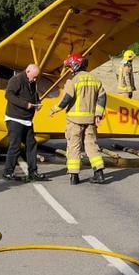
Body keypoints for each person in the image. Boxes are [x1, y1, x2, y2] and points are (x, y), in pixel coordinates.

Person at [50, 53, 107, 185]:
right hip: (90, 120)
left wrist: (54, 109)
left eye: (70, 67)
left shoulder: (73, 81)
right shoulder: (95, 79)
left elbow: (67, 98)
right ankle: (99, 174)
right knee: (92, 146)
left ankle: (74, 177)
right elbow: (102, 98)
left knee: (73, 146)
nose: (69, 70)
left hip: (74, 120)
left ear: (75, 66)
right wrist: (98, 114)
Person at [2, 64, 47, 182]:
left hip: (27, 120)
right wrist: (25, 104)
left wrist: (38, 103)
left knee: (32, 145)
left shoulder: (32, 82)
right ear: (27, 71)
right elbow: (8, 95)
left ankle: (33, 172)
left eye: (37, 77)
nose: (35, 79)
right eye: (34, 77)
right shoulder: (16, 80)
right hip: (15, 119)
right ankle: (8, 172)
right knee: (15, 146)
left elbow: (34, 95)